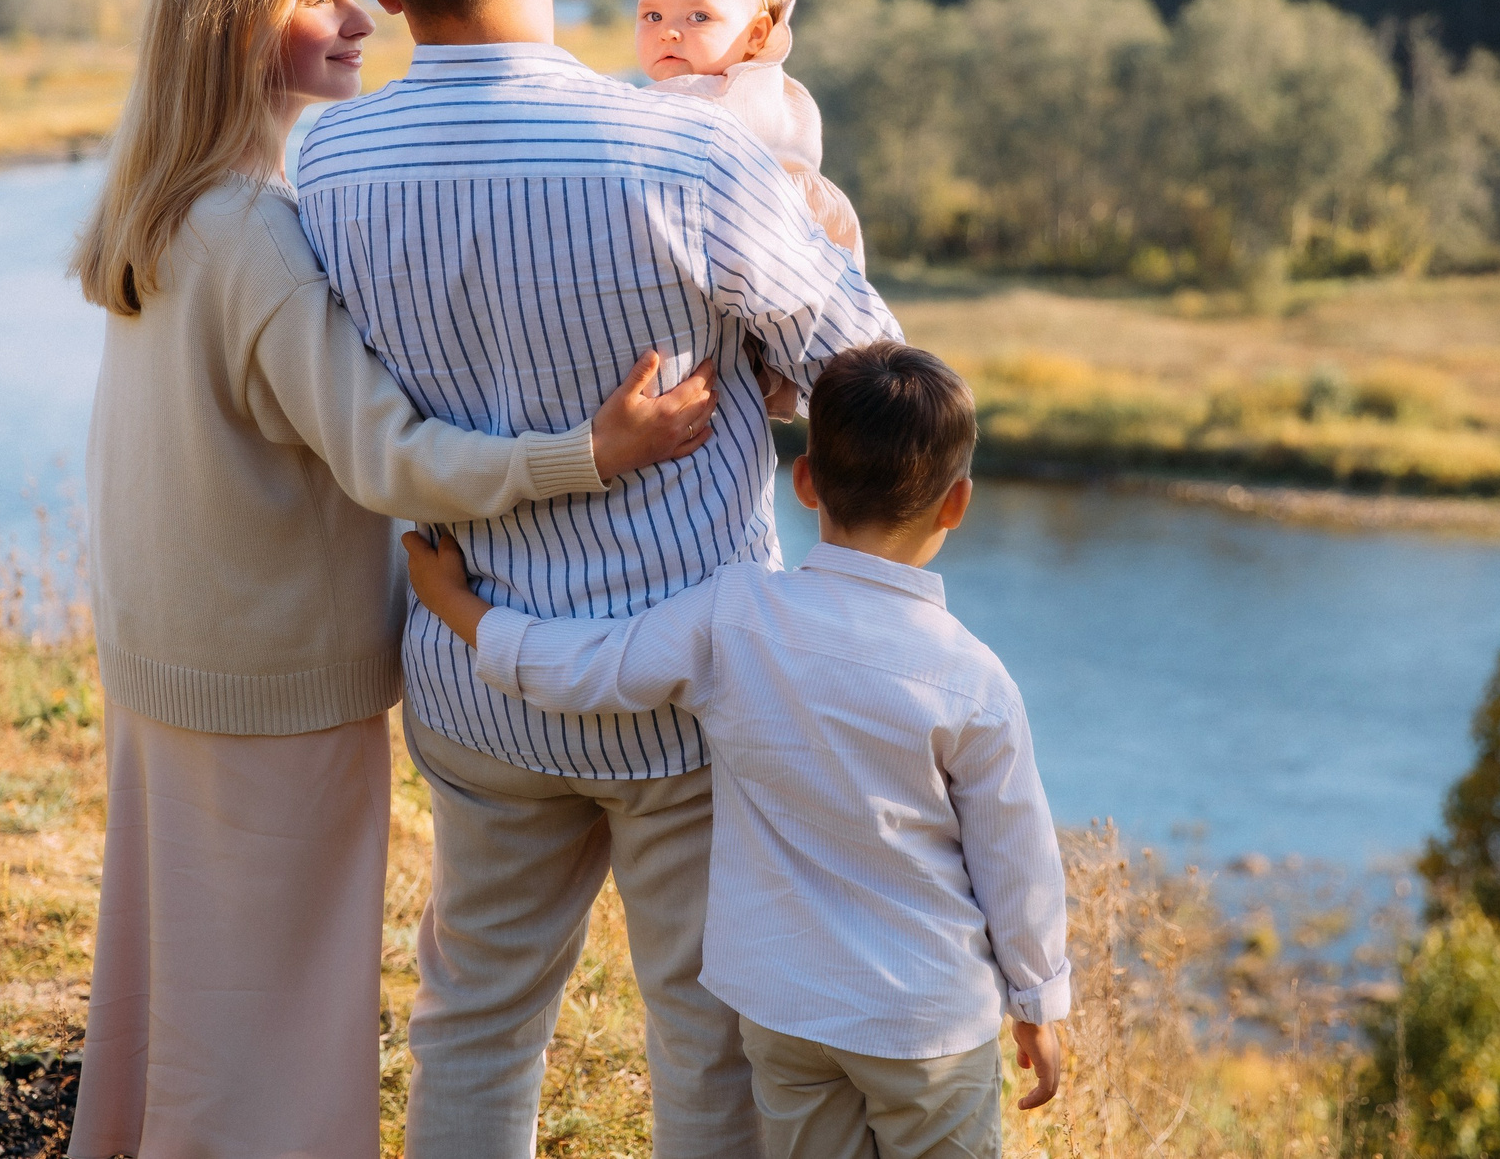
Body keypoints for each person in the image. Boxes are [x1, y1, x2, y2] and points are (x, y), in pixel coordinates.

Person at [65, 0, 720, 1159]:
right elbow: (389, 457)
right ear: (233, 27)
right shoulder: (254, 228)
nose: (365, 13)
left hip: (166, 658)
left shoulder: (164, 206)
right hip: (269, 680)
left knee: (179, 994)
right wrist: (585, 452)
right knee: (277, 1015)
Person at [296, 0, 903, 1159]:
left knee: (474, 1016)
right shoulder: (693, 155)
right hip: (693, 692)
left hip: (473, 668)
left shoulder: (328, 162)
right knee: (707, 1029)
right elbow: (873, 371)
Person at [404, 342, 1070, 1159]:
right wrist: (1038, 999)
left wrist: (460, 608)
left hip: (784, 1014)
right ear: (957, 503)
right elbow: (1017, 859)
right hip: (922, 1022)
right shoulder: (971, 679)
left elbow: (587, 670)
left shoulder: (735, 616)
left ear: (805, 482)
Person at [634, 0, 864, 258]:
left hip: (760, 244)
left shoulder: (710, 97)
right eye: (653, 16)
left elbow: (629, 130)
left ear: (755, 34)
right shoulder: (778, 88)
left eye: (699, 16)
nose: (668, 31)